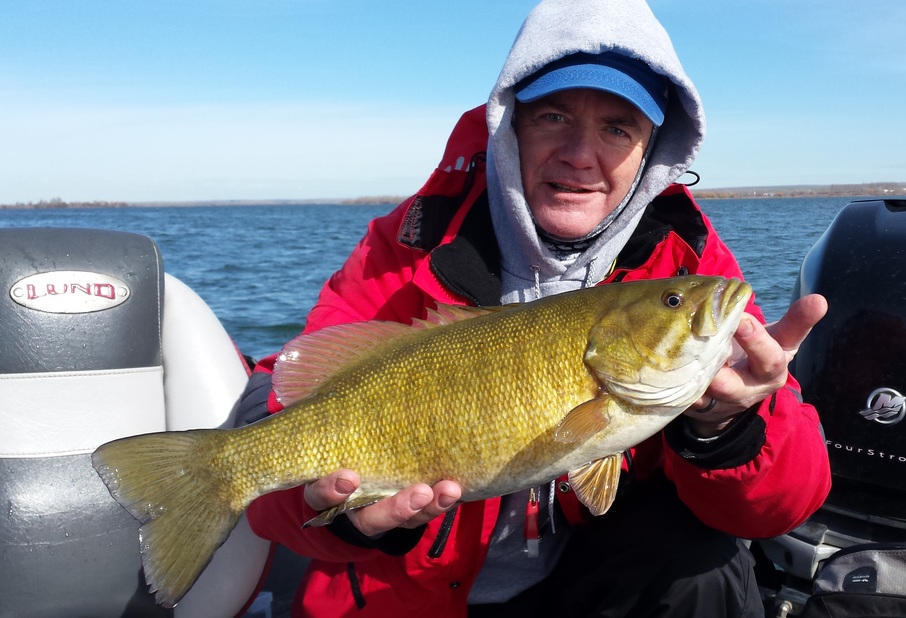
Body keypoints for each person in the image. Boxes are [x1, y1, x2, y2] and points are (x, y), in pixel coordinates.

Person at [235, 0, 831, 615]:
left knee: (698, 565)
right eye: (552, 116)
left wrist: (728, 427)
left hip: (585, 583)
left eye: (617, 128)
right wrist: (348, 521)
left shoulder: (689, 268)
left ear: (653, 150)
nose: (579, 153)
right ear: (508, 127)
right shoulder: (405, 248)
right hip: (404, 594)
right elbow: (276, 463)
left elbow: (784, 504)